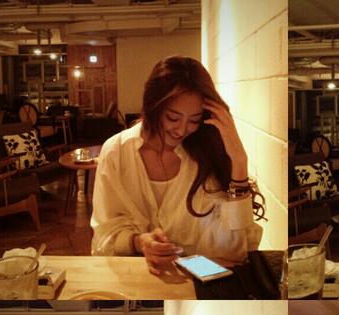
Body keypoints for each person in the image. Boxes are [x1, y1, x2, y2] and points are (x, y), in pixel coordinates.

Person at [91, 56, 265, 274]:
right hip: (135, 277)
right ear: (154, 107)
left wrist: (239, 161)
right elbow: (104, 236)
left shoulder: (205, 155)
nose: (182, 130)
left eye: (194, 120)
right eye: (173, 118)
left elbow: (235, 252)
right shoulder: (117, 151)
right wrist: (138, 242)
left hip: (197, 280)